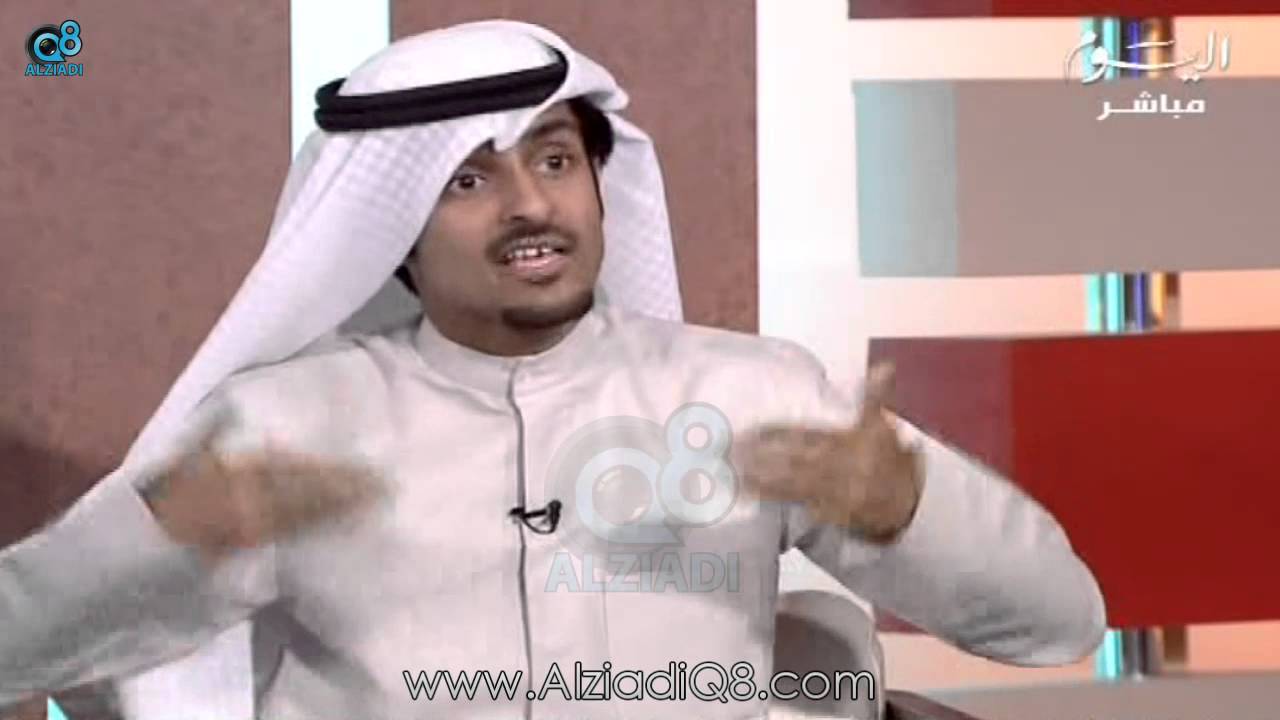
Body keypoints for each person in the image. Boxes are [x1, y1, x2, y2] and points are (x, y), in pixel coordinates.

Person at [0, 20, 1106, 720]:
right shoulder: (286, 425)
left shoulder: (750, 395)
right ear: (392, 228)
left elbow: (1056, 624)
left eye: (555, 159)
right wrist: (155, 543)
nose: (530, 203)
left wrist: (908, 511)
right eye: (469, 179)